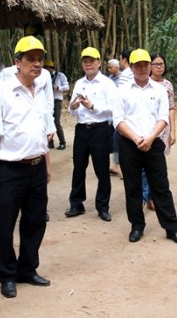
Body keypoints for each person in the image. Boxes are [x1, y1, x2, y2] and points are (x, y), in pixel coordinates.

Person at [0, 36, 54, 299]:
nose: (37, 64)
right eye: (30, 59)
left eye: (40, 59)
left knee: (35, 221)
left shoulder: (41, 90)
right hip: (10, 169)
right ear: (17, 62)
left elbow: (43, 132)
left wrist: (45, 164)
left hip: (36, 167)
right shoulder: (3, 90)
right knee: (5, 223)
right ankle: (7, 274)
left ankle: (27, 268)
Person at [113, 48, 177, 245]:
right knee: (133, 187)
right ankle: (137, 226)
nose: (143, 68)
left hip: (154, 144)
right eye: (138, 65)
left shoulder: (160, 90)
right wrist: (136, 139)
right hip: (130, 144)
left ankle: (172, 228)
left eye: (146, 64)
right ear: (132, 66)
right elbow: (118, 120)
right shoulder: (123, 90)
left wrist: (151, 138)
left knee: (161, 186)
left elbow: (164, 117)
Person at [65, 47, 118, 222]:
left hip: (100, 129)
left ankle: (103, 207)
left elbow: (113, 109)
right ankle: (76, 204)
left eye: (91, 61)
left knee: (102, 170)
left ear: (99, 63)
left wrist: (92, 106)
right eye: (85, 61)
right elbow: (72, 109)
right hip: (81, 130)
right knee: (78, 167)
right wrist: (72, 107)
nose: (88, 64)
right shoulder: (79, 83)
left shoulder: (107, 84)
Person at [143, 52, 177, 211]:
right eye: (155, 64)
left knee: (157, 165)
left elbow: (171, 108)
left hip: (163, 129)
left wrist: (173, 132)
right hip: (146, 128)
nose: (158, 67)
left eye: (161, 64)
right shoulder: (143, 82)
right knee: (144, 165)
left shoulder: (168, 85)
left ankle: (152, 197)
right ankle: (144, 197)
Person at [44, 59, 69, 150]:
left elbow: (67, 87)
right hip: (46, 101)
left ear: (51, 68)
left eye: (47, 68)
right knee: (47, 120)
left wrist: (57, 87)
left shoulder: (59, 76)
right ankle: (50, 142)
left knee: (56, 122)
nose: (46, 70)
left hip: (57, 100)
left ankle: (62, 142)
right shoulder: (43, 76)